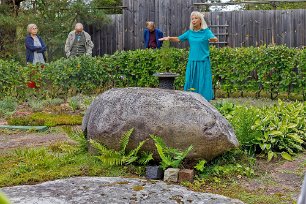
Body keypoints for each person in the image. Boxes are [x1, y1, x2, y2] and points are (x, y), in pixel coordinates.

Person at [159, 11, 218, 101]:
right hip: (192, 61)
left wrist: (212, 39)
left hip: (203, 61)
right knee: (191, 80)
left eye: (196, 18)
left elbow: (215, 39)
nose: (193, 20)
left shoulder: (206, 32)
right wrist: (169, 38)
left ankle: (205, 100)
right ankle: (191, 99)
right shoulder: (190, 33)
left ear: (200, 20)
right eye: (192, 19)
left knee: (203, 81)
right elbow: (179, 38)